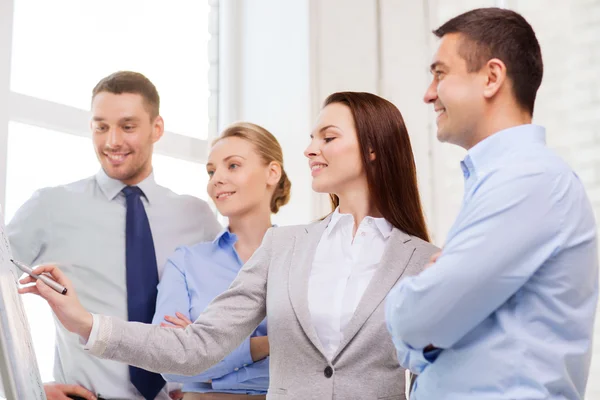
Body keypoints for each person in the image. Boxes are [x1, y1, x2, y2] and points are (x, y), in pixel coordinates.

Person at [20, 92, 438, 400]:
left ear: (372, 149)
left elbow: (432, 374)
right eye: (312, 138)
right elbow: (195, 347)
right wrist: (85, 322)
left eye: (328, 138)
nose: (310, 149)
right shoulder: (286, 246)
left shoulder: (423, 260)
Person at [385, 7, 598, 400]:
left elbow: (419, 319)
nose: (428, 93)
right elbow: (435, 318)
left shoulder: (530, 180)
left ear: (491, 77)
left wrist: (409, 299)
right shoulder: (507, 181)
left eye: (440, 73)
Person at [8, 71, 221, 400]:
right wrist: (28, 387)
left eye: (128, 126)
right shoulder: (51, 206)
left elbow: (228, 313)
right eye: (101, 126)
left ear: (157, 128)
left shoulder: (197, 217)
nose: (112, 142)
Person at [153, 122, 291, 399]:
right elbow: (168, 361)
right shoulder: (187, 263)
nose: (216, 179)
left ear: (272, 172)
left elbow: (322, 354)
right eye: (211, 171)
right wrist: (268, 344)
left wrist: (203, 346)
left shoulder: (304, 257)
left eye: (233, 166)